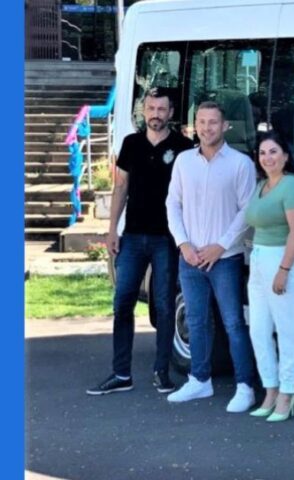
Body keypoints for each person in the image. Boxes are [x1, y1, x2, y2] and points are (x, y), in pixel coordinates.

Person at [86, 88, 194, 396]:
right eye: (150, 108)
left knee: (164, 305)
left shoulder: (184, 147)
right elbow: (121, 187)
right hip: (132, 236)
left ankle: (162, 373)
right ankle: (121, 374)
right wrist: (112, 229)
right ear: (143, 111)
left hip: (167, 239)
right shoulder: (131, 143)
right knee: (123, 303)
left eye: (161, 109)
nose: (155, 114)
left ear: (170, 113)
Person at [165, 101, 258, 413]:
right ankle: (199, 380)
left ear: (225, 126)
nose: (207, 128)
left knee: (233, 322)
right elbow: (172, 204)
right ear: (195, 126)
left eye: (213, 122)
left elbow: (247, 210)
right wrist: (183, 244)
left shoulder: (240, 164)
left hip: (225, 259)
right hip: (190, 257)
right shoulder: (183, 161)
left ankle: (245, 387)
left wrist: (221, 245)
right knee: (196, 320)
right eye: (201, 122)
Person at [245, 131, 294, 422]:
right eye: (262, 153)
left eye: (273, 151)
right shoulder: (262, 185)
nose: (267, 158)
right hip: (259, 259)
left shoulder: (293, 186)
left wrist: (283, 270)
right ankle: (270, 389)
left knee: (287, 330)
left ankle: (287, 392)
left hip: (285, 260)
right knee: (258, 330)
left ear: (285, 155)